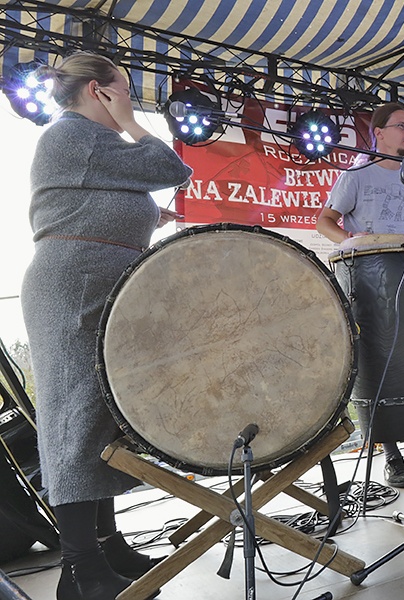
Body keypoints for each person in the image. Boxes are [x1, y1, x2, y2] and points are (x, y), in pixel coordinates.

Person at [20, 52, 192, 600]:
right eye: (123, 90)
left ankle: (107, 545)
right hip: (73, 286)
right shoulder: (70, 135)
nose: (131, 99)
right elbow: (171, 167)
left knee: (101, 416)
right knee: (74, 416)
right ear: (100, 91)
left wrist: (138, 210)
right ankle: (80, 570)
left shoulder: (88, 146)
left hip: (97, 283)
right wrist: (132, 121)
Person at [317, 102, 404, 487]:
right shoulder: (355, 178)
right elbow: (324, 221)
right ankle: (392, 457)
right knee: (384, 368)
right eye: (401, 126)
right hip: (373, 286)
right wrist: (352, 240)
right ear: (379, 132)